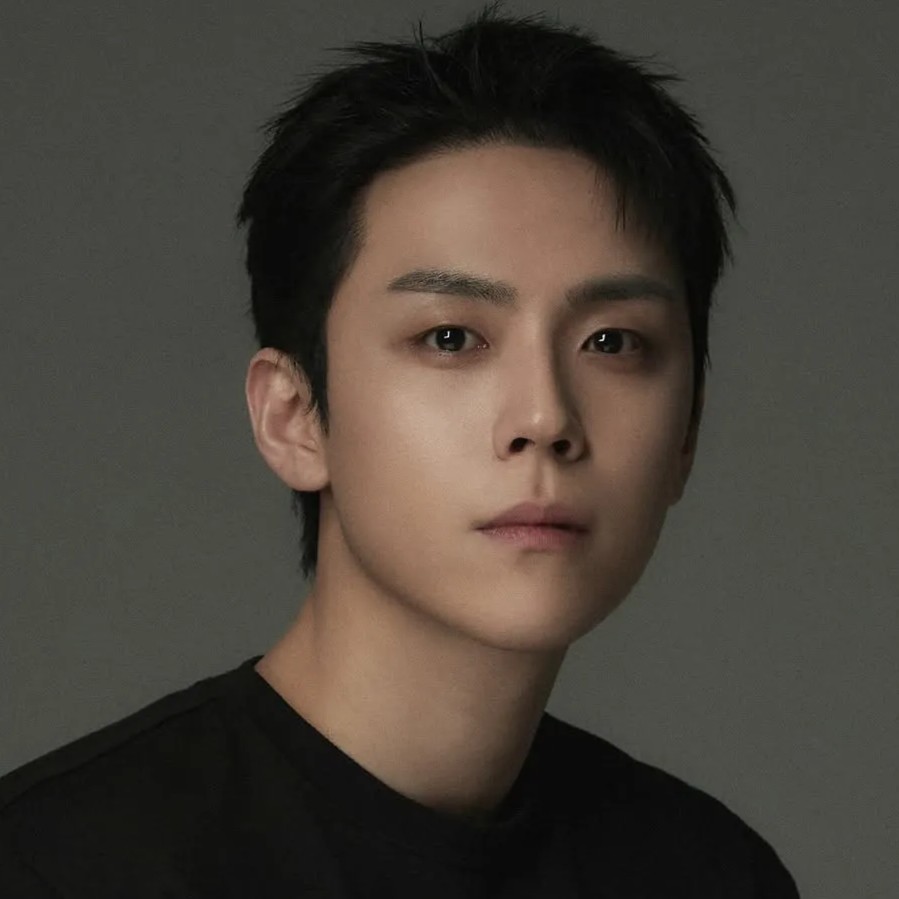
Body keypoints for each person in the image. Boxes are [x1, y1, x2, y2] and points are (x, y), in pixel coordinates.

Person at [0, 2, 801, 895]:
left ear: (686, 431)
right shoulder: (58, 866)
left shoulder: (708, 872)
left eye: (612, 341)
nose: (544, 416)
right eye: (450, 337)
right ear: (293, 416)